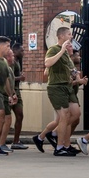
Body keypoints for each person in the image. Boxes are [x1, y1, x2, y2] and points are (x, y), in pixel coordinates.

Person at [32, 27, 80, 156]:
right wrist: (62, 50)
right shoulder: (54, 49)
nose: (71, 36)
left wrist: (76, 75)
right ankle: (60, 147)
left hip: (67, 87)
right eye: (69, 34)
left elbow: (72, 70)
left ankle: (51, 134)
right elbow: (47, 63)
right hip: (56, 87)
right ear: (62, 36)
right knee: (64, 116)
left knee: (76, 114)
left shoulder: (67, 54)